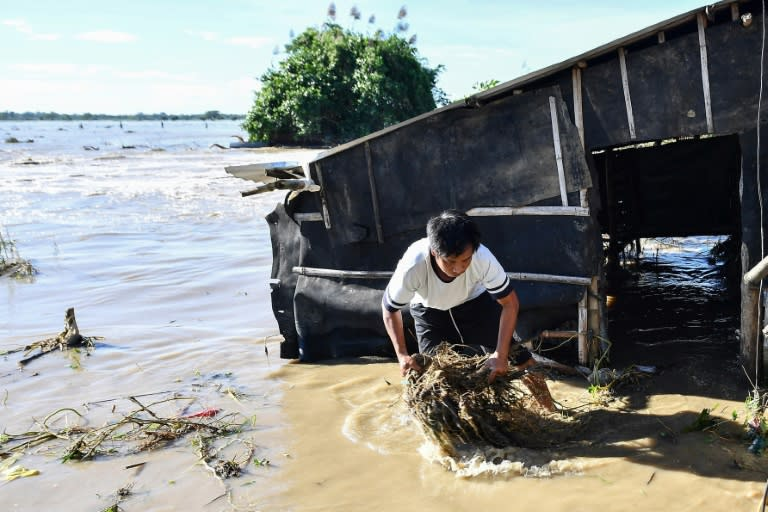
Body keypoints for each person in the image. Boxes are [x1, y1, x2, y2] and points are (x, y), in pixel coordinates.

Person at [381, 209, 555, 410]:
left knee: (520, 359)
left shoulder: (482, 258)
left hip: (474, 304)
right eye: (450, 262)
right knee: (429, 380)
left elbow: (510, 303)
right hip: (429, 313)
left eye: (465, 260)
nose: (459, 268)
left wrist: (500, 353)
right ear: (434, 252)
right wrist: (402, 354)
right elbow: (389, 309)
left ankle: (552, 412)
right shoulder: (413, 266)